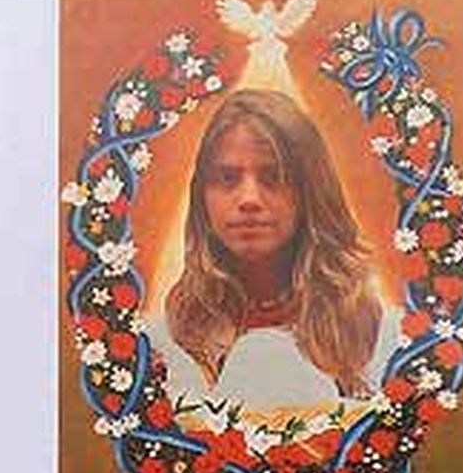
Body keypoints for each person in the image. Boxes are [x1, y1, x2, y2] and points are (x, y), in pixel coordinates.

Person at [147, 88, 396, 415]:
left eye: (274, 176)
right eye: (227, 177)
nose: (249, 199)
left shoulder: (378, 334)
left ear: (311, 191)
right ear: (201, 197)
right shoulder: (163, 341)